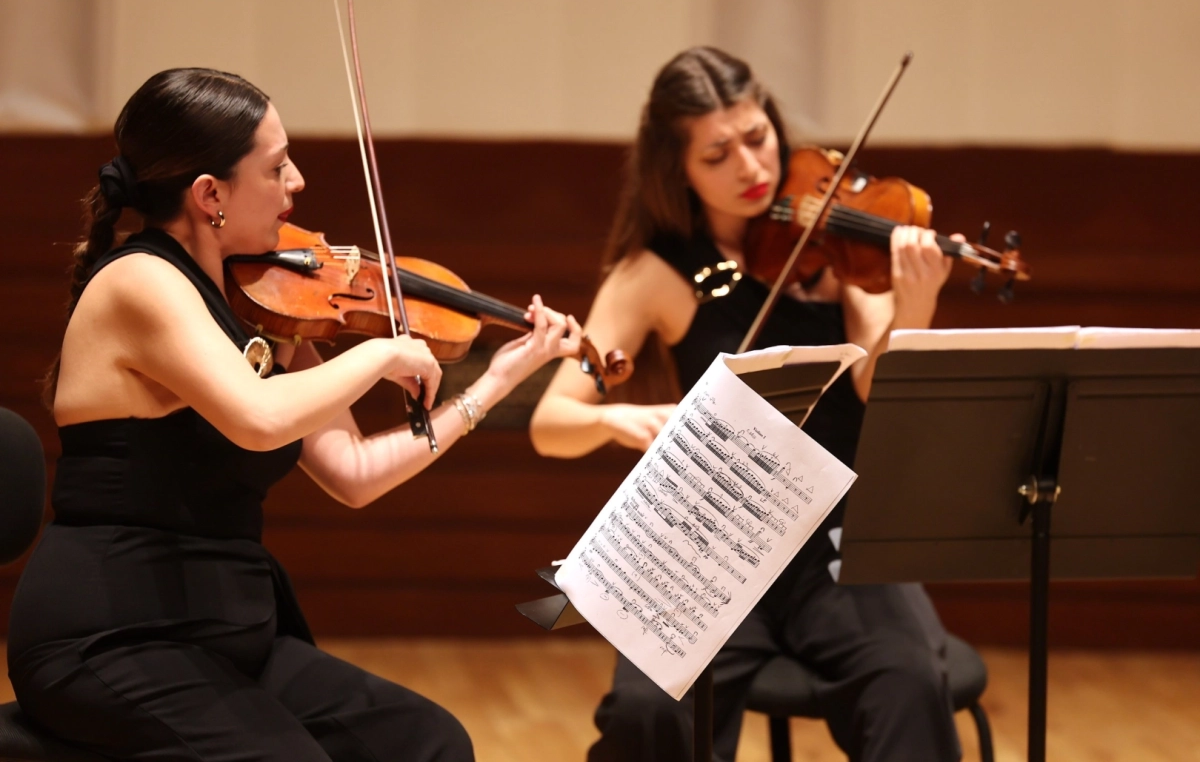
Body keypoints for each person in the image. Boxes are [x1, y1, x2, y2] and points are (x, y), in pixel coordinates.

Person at [6, 67, 583, 762]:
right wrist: (379, 355)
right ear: (210, 195)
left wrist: (492, 384)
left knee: (430, 743)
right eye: (277, 167)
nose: (298, 181)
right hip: (113, 636)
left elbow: (354, 472)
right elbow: (256, 416)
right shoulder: (141, 282)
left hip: (229, 632)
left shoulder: (263, 299)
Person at [529, 47, 964, 762]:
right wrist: (616, 418)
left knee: (911, 683)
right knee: (646, 712)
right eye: (717, 155)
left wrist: (912, 310)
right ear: (679, 170)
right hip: (711, 550)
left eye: (758, 139)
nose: (751, 167)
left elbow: (875, 392)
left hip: (834, 542)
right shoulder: (654, 274)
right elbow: (553, 425)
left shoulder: (835, 251)